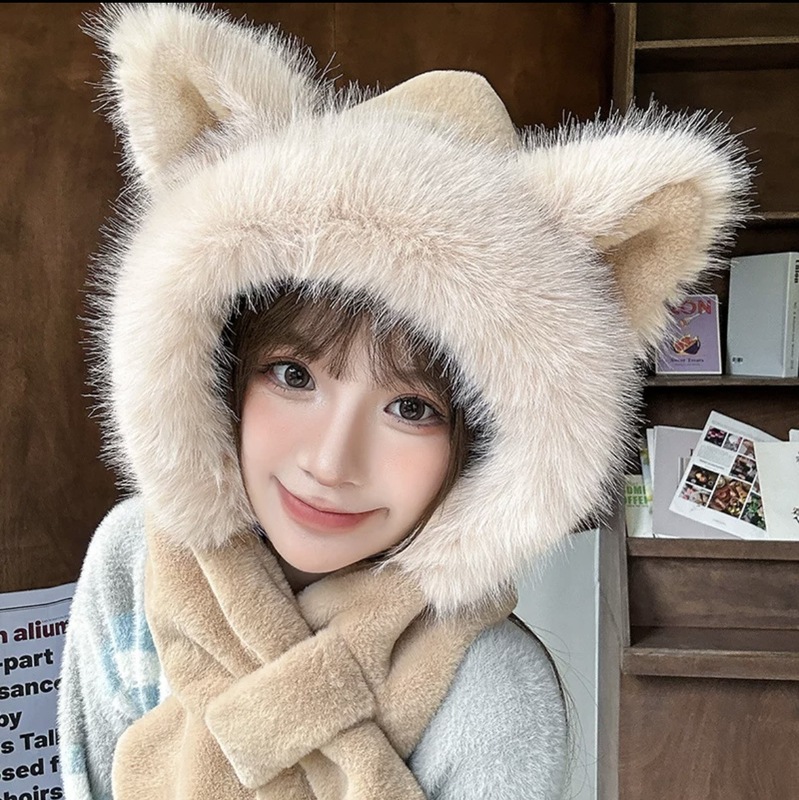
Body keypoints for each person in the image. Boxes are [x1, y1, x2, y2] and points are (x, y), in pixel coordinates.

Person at [57, 4, 753, 800]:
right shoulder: (133, 558)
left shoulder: (494, 698)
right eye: (293, 375)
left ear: (483, 447)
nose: (330, 462)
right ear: (218, 369)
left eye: (411, 409)